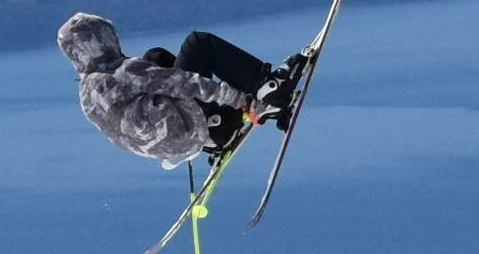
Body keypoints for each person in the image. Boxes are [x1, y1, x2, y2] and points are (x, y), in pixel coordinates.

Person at [57, 14, 299, 168]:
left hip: (169, 145)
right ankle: (269, 89)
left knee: (155, 56)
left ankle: (217, 132)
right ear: (103, 40)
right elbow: (181, 82)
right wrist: (242, 101)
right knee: (199, 44)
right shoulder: (123, 71)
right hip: (187, 123)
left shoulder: (87, 95)